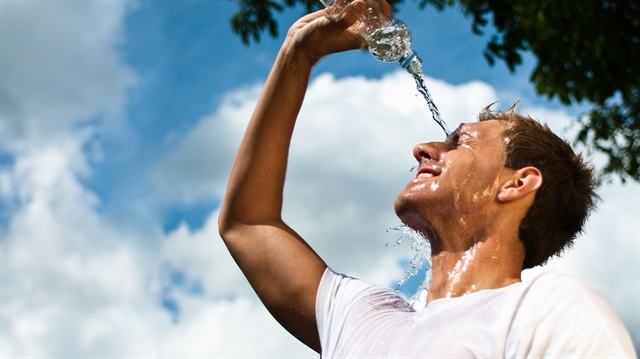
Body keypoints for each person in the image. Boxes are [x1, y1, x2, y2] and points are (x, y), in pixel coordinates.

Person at [218, 0, 636, 357]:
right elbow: (248, 223)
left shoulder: (546, 307)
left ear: (517, 184)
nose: (423, 148)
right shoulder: (361, 316)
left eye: (460, 142)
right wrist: (298, 54)